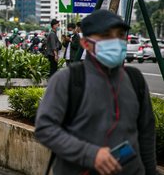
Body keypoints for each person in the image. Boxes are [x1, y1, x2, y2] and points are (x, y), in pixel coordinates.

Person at [35, 10, 156, 175]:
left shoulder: (135, 80)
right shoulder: (68, 80)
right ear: (86, 43)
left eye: (120, 35)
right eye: (106, 35)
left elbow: (146, 133)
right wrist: (91, 154)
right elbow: (45, 128)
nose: (115, 41)